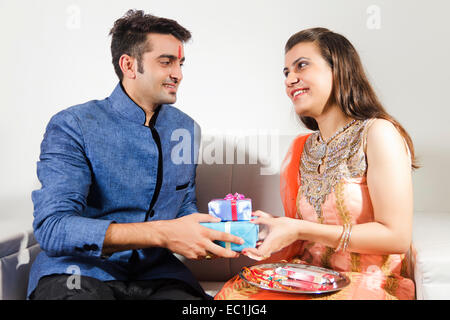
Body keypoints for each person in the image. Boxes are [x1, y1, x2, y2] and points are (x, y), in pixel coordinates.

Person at [28, 9, 244, 300]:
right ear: (129, 65)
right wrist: (162, 233)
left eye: (180, 63)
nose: (177, 74)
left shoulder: (186, 128)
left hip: (159, 275)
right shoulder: (73, 124)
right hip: (79, 272)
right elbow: (53, 227)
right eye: (166, 62)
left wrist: (217, 233)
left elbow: (183, 207)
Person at [215, 27, 417, 300]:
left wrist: (299, 228)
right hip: (306, 278)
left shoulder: (378, 133)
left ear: (339, 69)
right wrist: (274, 226)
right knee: (234, 298)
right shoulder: (303, 148)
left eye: (301, 66)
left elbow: (397, 237)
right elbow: (306, 235)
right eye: (286, 73)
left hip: (366, 283)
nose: (290, 80)